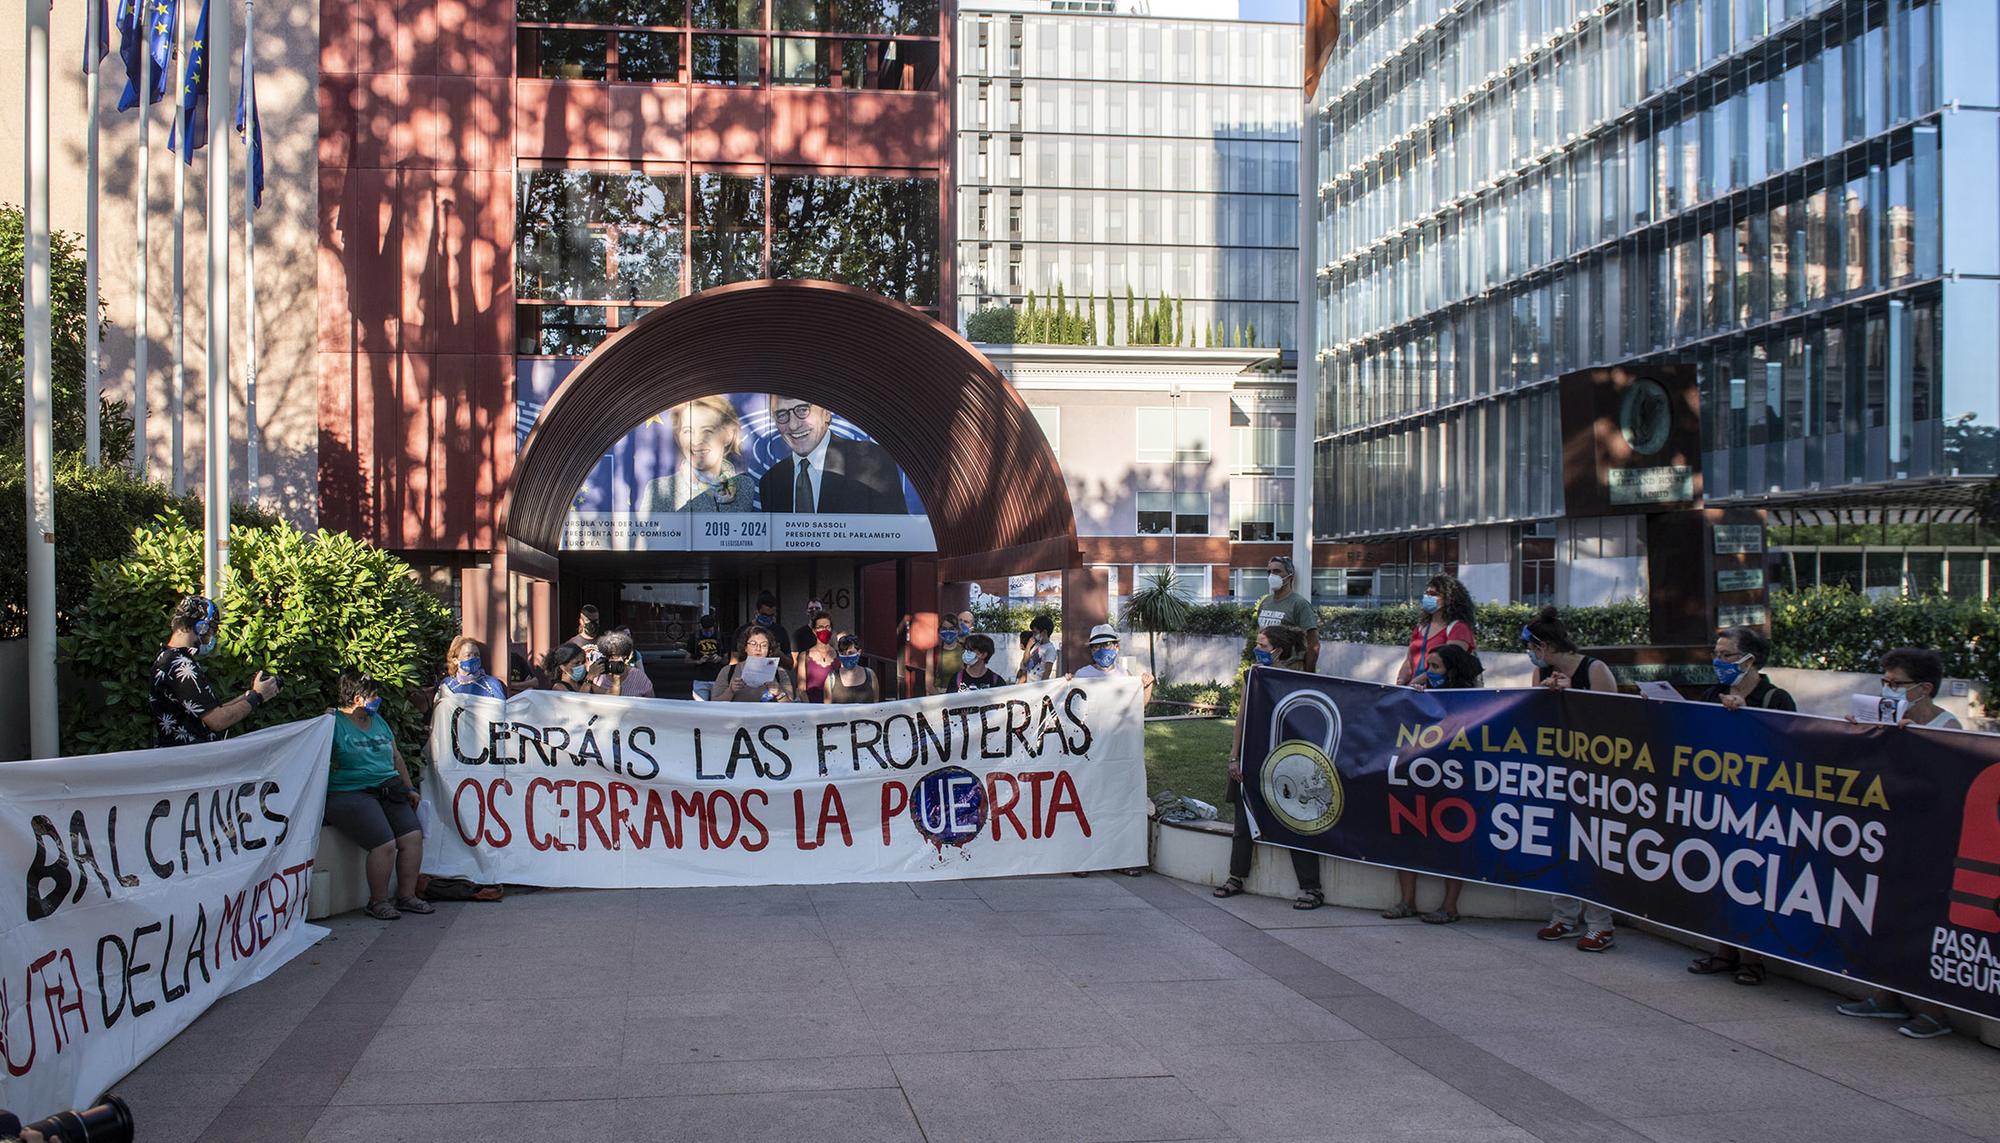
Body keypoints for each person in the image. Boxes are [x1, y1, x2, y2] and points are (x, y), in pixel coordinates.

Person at [1831, 646, 1955, 1037]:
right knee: (1883, 917)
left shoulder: (1949, 728)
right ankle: (1885, 996)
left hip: (1930, 845)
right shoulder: (1887, 721)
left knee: (1922, 924)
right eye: (1884, 683)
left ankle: (1934, 1011)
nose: (1888, 691)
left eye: (1896, 684)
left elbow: (1944, 787)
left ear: (1923, 688)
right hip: (1890, 838)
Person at [1520, 606, 1618, 952]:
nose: (1532, 656)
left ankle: (1600, 923)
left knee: (1591, 848)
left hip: (1593, 774)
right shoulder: (1543, 672)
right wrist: (1546, 697)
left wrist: (1574, 697)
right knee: (1558, 843)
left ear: (1545, 645)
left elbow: (1612, 723)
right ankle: (1563, 915)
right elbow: (1534, 718)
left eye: (1533, 648)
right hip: (1558, 771)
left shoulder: (1594, 670)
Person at [1217, 625, 1326, 909]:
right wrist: (1234, 755)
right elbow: (1242, 716)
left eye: (1262, 646)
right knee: (1244, 820)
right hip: (1253, 756)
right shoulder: (1251, 677)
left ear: (1278, 651)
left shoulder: (1295, 679)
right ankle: (1236, 876)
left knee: (1296, 818)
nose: (1257, 650)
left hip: (1287, 762)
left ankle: (1311, 888)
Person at [1381, 644, 1481, 923]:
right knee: (1407, 837)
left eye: (1435, 667)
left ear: (1452, 670)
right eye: (1428, 666)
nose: (1429, 672)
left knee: (1452, 840)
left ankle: (1450, 907)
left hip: (1452, 781)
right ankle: (1407, 902)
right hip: (1419, 776)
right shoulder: (1423, 695)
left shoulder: (1473, 700)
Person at [323, 671, 432, 921]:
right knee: (384, 845)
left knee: (413, 837)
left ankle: (407, 896)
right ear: (358, 699)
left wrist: (409, 788)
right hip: (351, 791)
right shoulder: (334, 722)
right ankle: (377, 902)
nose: (377, 699)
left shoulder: (379, 721)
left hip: (388, 787)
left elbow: (396, 757)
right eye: (373, 695)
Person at [150, 595, 282, 747]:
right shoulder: (181, 666)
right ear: (200, 627)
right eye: (210, 629)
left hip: (178, 758)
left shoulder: (168, 659)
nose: (211, 637)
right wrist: (258, 697)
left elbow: (209, 711)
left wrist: (251, 694)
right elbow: (218, 720)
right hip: (190, 761)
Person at [756, 395, 908, 514]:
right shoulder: (770, 482)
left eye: (802, 410)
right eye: (781, 415)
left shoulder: (871, 460)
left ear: (827, 413)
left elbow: (896, 537)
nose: (793, 425)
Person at [640, 395, 757, 513]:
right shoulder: (659, 489)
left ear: (728, 434)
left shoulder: (744, 487)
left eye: (707, 431)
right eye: (687, 431)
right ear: (678, 437)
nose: (696, 441)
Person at [1396, 573, 1476, 687]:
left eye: (1434, 594)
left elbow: (1449, 664)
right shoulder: (1421, 627)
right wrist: (1401, 682)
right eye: (1427, 593)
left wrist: (1416, 683)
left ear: (1449, 599)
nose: (1428, 597)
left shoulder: (1459, 628)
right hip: (1415, 692)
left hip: (1440, 696)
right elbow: (1409, 660)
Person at [1701, 625, 1797, 714]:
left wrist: (1747, 713)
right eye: (1716, 655)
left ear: (1749, 660)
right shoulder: (1712, 695)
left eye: (1726, 655)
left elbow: (1785, 732)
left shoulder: (1777, 699)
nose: (1717, 662)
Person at [1251, 556, 1320, 671]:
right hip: (1266, 667)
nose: (1272, 575)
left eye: (1277, 571)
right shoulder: (1265, 602)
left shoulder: (1300, 604)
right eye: (1269, 572)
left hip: (1290, 669)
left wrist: (1308, 675)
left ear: (1290, 576)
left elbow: (1313, 644)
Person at [714, 626, 797, 702]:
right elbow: (714, 703)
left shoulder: (779, 672)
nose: (758, 649)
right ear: (745, 647)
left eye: (764, 645)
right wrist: (730, 691)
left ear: (769, 649)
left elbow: (790, 707)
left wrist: (779, 693)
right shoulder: (728, 671)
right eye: (753, 644)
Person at [591, 629, 655, 698]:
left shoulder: (638, 676)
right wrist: (590, 676)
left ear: (625, 656)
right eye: (607, 656)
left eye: (614, 656)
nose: (610, 660)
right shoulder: (599, 675)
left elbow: (652, 702)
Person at [440, 635, 508, 700]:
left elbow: (500, 708)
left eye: (476, 655)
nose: (473, 658)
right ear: (455, 660)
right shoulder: (447, 685)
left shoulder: (491, 683)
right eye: (468, 655)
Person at [797, 611, 839, 702]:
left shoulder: (839, 655)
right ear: (814, 631)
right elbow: (801, 689)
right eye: (820, 627)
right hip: (813, 708)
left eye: (827, 627)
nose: (824, 630)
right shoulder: (804, 656)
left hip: (835, 709)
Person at [827, 634, 880, 703]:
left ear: (859, 652)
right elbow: (827, 708)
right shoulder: (831, 678)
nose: (846, 656)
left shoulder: (870, 675)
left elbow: (876, 703)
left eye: (850, 653)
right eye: (842, 653)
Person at [749, 590, 793, 658]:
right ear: (756, 612)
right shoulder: (744, 631)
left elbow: (790, 663)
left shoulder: (780, 631)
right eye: (764, 615)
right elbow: (734, 661)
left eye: (771, 616)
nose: (767, 618)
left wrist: (779, 654)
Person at [1016, 614, 1058, 683]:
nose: (1033, 635)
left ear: (1044, 632)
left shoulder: (1050, 649)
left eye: (1035, 632)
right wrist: (1028, 647)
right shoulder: (1036, 645)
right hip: (1028, 685)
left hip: (1037, 686)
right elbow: (1025, 663)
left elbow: (1047, 671)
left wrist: (1041, 688)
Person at [793, 598, 831, 672]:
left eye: (817, 608)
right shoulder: (798, 634)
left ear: (822, 610)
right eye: (811, 608)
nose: (814, 610)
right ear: (807, 611)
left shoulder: (831, 633)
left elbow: (834, 656)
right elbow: (794, 660)